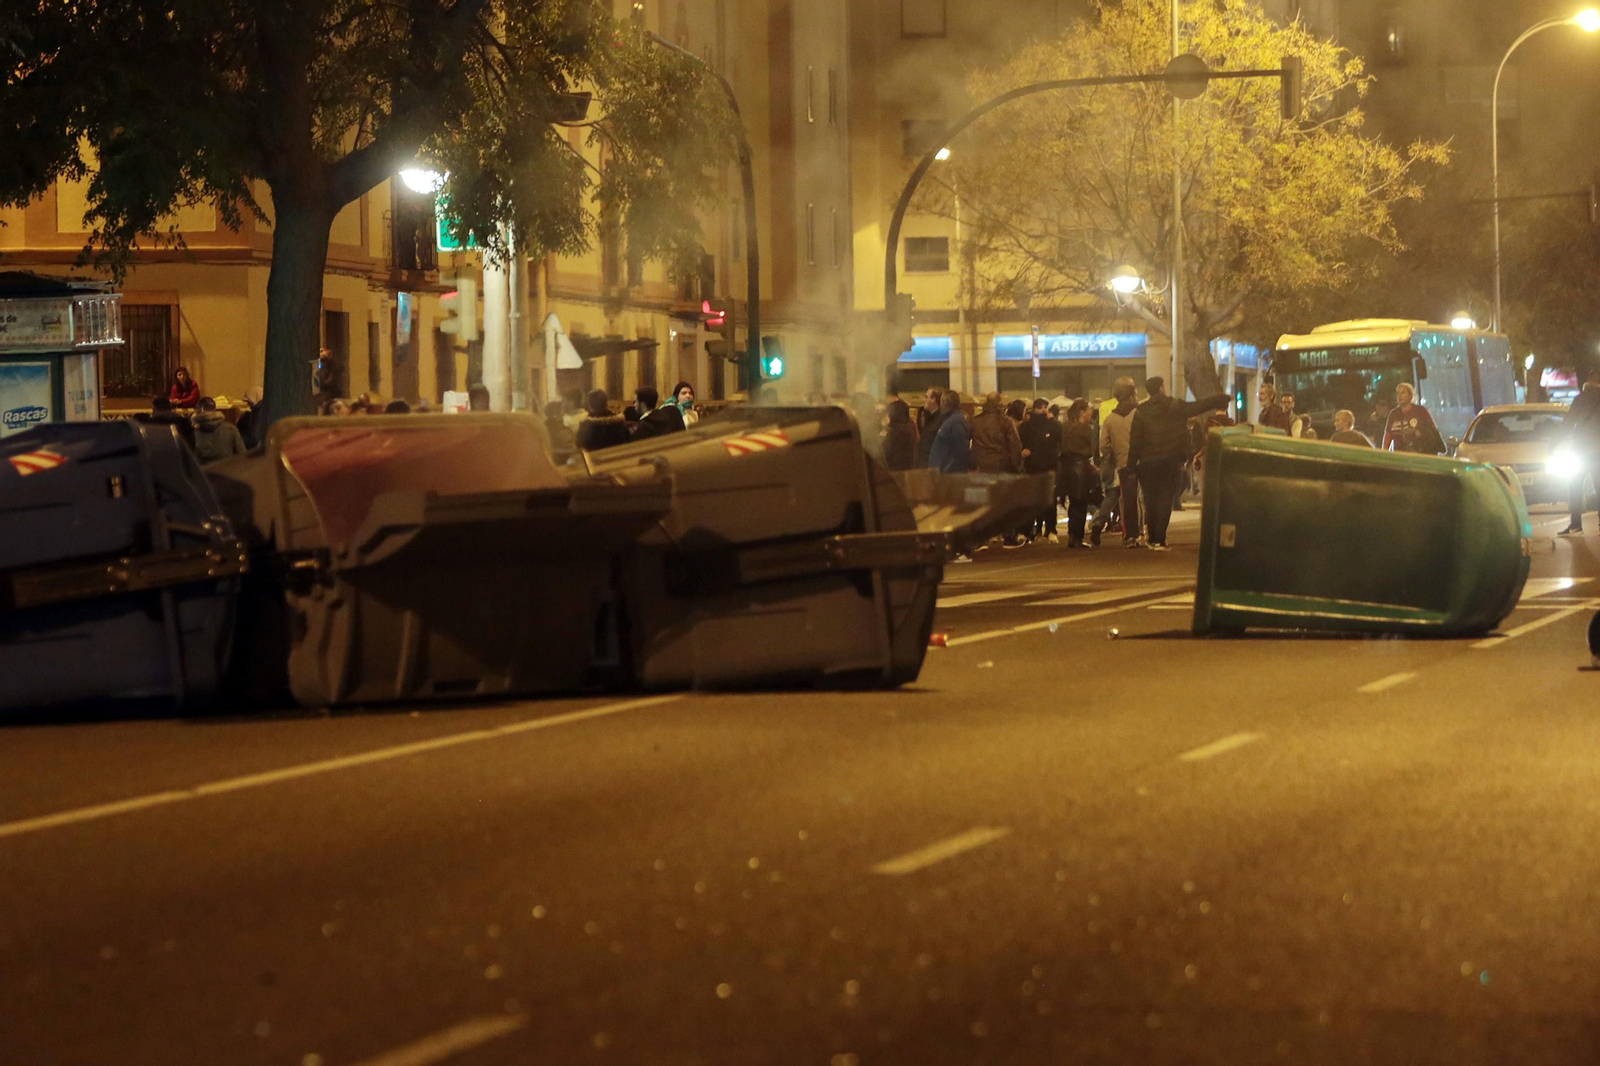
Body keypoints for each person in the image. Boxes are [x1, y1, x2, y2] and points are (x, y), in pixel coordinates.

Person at [1128, 376, 1229, 551]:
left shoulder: (1141, 411)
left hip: (1147, 461)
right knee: (1166, 498)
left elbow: (1135, 440)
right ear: (1161, 388)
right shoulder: (1175, 406)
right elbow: (1198, 406)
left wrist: (1131, 465)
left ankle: (1152, 538)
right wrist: (1219, 398)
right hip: (1170, 459)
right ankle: (1160, 539)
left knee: (1150, 499)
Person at [1094, 381, 1140, 547]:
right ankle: (1143, 534)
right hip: (1142, 461)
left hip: (1122, 463)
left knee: (1126, 499)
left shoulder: (1110, 419)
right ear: (1131, 397)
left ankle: (1130, 535)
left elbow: (1103, 446)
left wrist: (1113, 455)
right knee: (1141, 500)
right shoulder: (1138, 415)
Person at [1559, 370, 1600, 534]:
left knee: (1575, 486)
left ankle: (1575, 524)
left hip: (1581, 451)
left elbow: (1568, 423)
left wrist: (1555, 442)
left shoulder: (1580, 399)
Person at [1019, 398, 1062, 542]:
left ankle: (1050, 529)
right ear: (1033, 409)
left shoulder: (1053, 426)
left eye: (1045, 407)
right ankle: (1030, 530)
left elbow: (1058, 444)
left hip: (1047, 467)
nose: (1043, 410)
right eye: (1039, 407)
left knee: (1049, 500)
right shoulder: (1025, 427)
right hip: (1032, 468)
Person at [1060, 399, 1098, 547]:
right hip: (1081, 467)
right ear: (1082, 412)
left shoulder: (1064, 426)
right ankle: (1077, 538)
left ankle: (1072, 536)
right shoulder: (1087, 429)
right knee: (1081, 503)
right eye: (1089, 409)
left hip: (1066, 467)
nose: (1091, 412)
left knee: (1073, 503)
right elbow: (1093, 449)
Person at [1382, 383, 1443, 454]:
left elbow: (1433, 430)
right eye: (1398, 393)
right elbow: (1388, 435)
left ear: (1410, 395)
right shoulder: (1393, 414)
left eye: (1403, 393)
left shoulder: (1421, 411)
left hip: (1420, 453)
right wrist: (1384, 453)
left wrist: (1417, 432)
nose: (1400, 396)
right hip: (1400, 454)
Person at [970, 391, 1022, 473]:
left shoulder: (975, 421)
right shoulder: (1006, 421)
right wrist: (1017, 467)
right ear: (1000, 402)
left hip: (979, 464)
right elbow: (1015, 445)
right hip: (1000, 465)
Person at [928, 390, 975, 473]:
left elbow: (962, 447)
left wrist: (971, 465)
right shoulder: (950, 420)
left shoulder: (956, 422)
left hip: (948, 471)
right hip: (943, 470)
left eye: (941, 401)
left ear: (944, 403)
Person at [190, 396, 247, 464]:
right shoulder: (231, 429)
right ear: (214, 409)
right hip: (227, 468)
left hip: (202, 469)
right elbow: (242, 454)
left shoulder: (192, 431)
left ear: (199, 411)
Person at [915, 387, 949, 467]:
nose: (924, 400)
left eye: (927, 397)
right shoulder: (927, 417)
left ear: (933, 400)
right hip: (924, 462)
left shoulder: (942, 419)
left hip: (933, 465)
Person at [883, 399, 918, 471]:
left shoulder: (896, 432)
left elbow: (886, 452)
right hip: (905, 469)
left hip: (896, 470)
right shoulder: (906, 427)